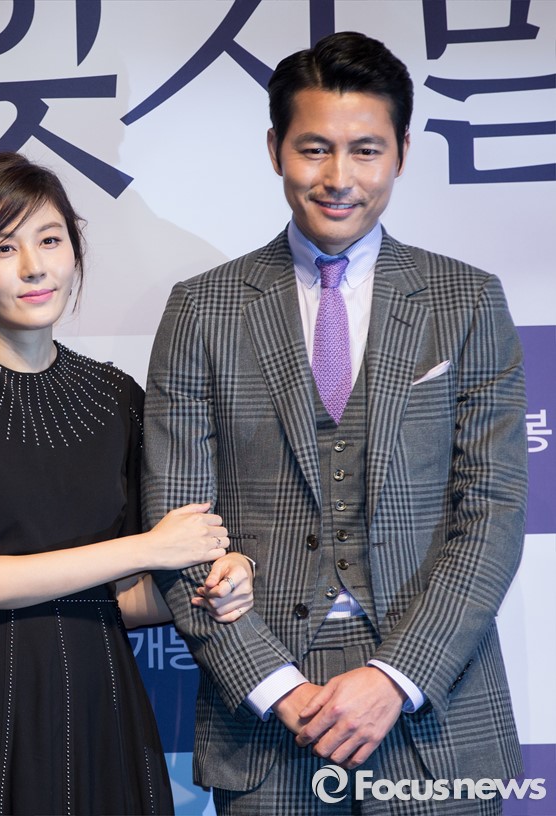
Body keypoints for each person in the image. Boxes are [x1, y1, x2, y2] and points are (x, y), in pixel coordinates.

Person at [142, 31, 527, 815]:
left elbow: (493, 512)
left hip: (435, 716)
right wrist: (276, 686)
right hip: (266, 728)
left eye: (365, 150)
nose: (338, 178)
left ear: (403, 153)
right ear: (275, 150)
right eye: (314, 148)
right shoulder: (202, 310)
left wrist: (396, 677)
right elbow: (177, 529)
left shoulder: (467, 301)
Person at [0, 151, 255, 816]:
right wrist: (150, 548)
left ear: (75, 252)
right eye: (2, 248)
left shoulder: (117, 397)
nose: (33, 266)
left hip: (101, 690)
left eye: (50, 240)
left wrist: (217, 584)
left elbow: (128, 600)